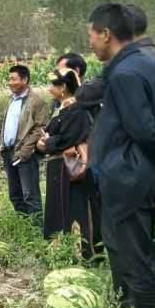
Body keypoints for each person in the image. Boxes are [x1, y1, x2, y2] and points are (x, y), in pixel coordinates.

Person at [87, 2, 155, 308]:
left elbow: (142, 128)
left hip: (129, 176)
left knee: (133, 258)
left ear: (106, 34)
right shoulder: (151, 63)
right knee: (139, 250)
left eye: (91, 35)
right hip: (146, 175)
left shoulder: (126, 73)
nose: (90, 43)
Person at [37, 69, 102, 261]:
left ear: (63, 87)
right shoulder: (61, 109)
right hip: (58, 169)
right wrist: (47, 142)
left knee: (75, 209)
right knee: (58, 209)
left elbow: (67, 138)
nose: (49, 89)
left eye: (52, 85)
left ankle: (85, 255)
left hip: (71, 170)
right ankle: (61, 251)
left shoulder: (77, 110)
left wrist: (48, 142)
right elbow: (47, 137)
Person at [0, 64, 48, 222]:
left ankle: (37, 231)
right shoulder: (11, 100)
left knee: (30, 195)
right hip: (9, 151)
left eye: (13, 79)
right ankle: (23, 226)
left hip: (26, 154)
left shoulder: (36, 102)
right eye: (9, 79)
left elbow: (40, 127)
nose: (10, 82)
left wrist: (26, 150)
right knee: (15, 194)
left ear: (25, 79)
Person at [56, 52, 103, 122]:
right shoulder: (60, 97)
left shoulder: (90, 97)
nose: (57, 76)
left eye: (61, 71)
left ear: (76, 71)